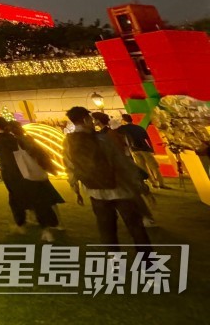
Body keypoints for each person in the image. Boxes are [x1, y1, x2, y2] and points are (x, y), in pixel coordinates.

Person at [64, 106, 150, 250]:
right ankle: (147, 259)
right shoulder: (102, 139)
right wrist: (138, 182)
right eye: (90, 120)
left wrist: (76, 189)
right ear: (85, 120)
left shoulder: (68, 142)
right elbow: (122, 163)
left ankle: (114, 260)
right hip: (120, 189)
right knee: (135, 226)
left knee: (107, 230)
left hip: (95, 192)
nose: (93, 123)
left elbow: (70, 167)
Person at [0, 117, 62, 241]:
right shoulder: (17, 139)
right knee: (37, 200)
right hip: (27, 172)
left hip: (11, 174)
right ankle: (46, 229)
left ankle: (21, 224)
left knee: (15, 199)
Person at [117, 113, 167, 189]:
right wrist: (152, 148)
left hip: (134, 150)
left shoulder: (122, 128)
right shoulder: (139, 128)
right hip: (145, 148)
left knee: (143, 168)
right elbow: (147, 139)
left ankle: (152, 183)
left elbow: (117, 134)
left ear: (123, 120)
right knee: (154, 166)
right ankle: (161, 183)